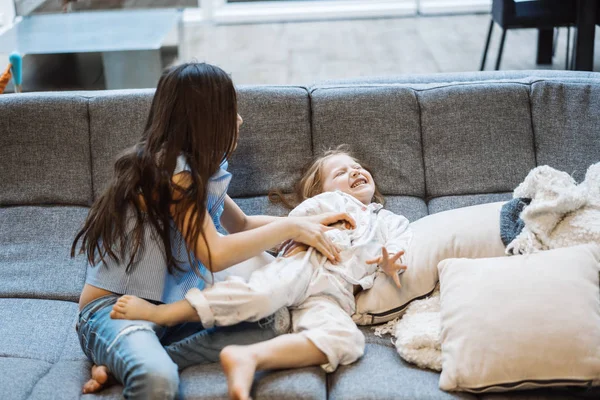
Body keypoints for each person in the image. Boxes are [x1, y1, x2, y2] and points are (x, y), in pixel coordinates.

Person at [71, 63, 354, 400]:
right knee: (157, 381)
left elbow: (244, 225)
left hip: (166, 317)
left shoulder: (200, 170)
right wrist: (292, 226)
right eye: (232, 111)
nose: (240, 120)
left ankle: (123, 362)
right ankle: (134, 357)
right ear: (207, 118)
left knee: (273, 320)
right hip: (112, 310)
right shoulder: (174, 175)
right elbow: (215, 254)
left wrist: (308, 224)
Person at [109, 146, 412, 400]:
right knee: (257, 296)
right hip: (299, 265)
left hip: (334, 294)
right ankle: (165, 314)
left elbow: (400, 246)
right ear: (320, 191)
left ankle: (250, 357)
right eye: (341, 172)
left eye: (357, 167)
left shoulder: (391, 219)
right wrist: (318, 222)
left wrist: (388, 263)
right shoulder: (328, 202)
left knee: (347, 340)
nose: (355, 172)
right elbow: (296, 221)